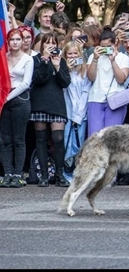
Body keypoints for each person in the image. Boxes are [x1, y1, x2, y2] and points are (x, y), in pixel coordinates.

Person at [29, 32, 72, 187]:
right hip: (40, 102)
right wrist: (45, 61)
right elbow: (39, 79)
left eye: (53, 43)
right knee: (40, 139)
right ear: (42, 45)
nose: (50, 46)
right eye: (47, 43)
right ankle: (44, 176)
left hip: (57, 103)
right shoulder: (35, 60)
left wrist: (57, 66)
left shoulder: (62, 61)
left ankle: (60, 174)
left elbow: (65, 82)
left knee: (58, 138)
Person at [0, 29, 34, 188]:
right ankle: (7, 173)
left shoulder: (28, 59)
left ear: (22, 42)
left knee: (19, 139)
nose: (15, 42)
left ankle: (18, 174)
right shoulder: (3, 57)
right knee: (5, 139)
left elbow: (26, 83)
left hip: (20, 99)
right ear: (8, 41)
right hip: (3, 99)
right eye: (12, 39)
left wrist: (7, 98)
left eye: (18, 39)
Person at [86, 26, 129, 137]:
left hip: (116, 100)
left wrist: (113, 61)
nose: (105, 49)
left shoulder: (123, 58)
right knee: (94, 136)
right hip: (96, 98)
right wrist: (95, 59)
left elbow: (121, 79)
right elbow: (90, 77)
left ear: (115, 43)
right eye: (102, 47)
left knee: (112, 137)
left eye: (108, 46)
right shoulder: (93, 56)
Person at [61, 40, 92, 182]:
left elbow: (86, 92)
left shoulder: (84, 71)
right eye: (69, 54)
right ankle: (66, 173)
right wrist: (65, 69)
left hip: (80, 113)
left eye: (75, 53)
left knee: (78, 143)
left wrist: (79, 113)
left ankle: (78, 174)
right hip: (66, 112)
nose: (73, 57)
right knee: (66, 141)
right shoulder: (62, 70)